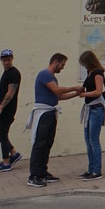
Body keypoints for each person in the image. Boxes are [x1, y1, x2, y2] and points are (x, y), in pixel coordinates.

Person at [26, 53, 84, 188]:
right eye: (62, 65)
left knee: (47, 143)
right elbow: (57, 90)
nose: (62, 68)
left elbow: (59, 96)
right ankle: (34, 175)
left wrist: (77, 94)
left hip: (51, 112)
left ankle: (42, 171)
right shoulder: (45, 74)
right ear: (55, 61)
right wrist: (75, 87)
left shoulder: (53, 78)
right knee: (40, 144)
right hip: (43, 113)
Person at [78, 49, 105, 180]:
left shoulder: (97, 73)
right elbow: (84, 87)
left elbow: (98, 91)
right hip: (89, 108)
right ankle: (90, 169)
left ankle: (97, 171)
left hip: (97, 108)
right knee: (87, 140)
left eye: (84, 63)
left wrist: (84, 94)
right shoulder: (89, 72)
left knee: (94, 140)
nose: (83, 65)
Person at [0, 48, 23, 172]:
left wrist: (0, 108)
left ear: (12, 59)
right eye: (4, 60)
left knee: (2, 134)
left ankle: (6, 162)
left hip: (7, 109)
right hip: (3, 109)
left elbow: (10, 93)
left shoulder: (14, 73)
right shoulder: (7, 72)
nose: (6, 62)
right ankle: (14, 153)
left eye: (8, 60)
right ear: (1, 60)